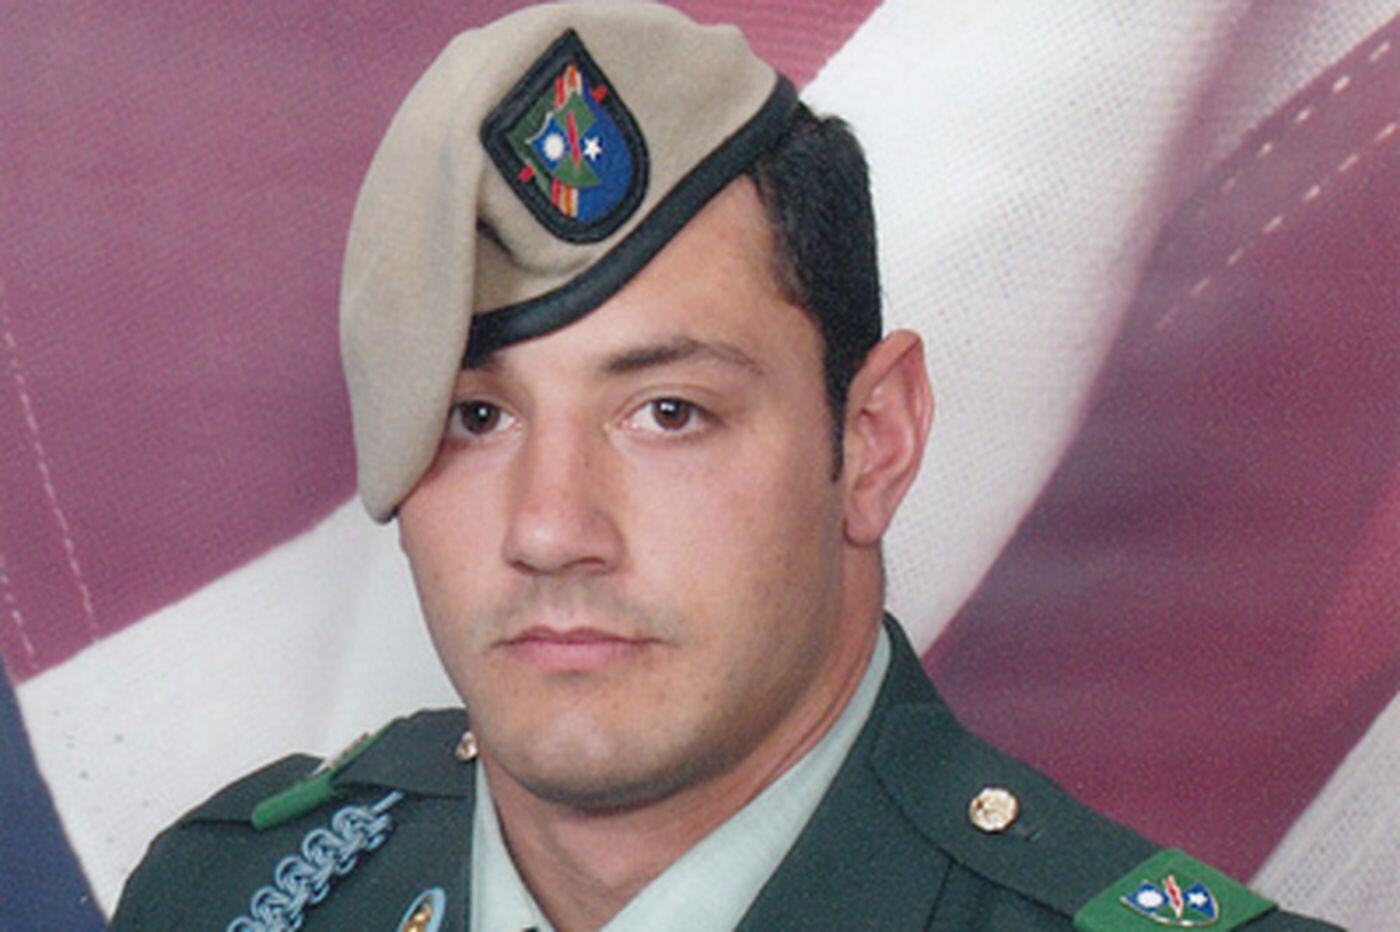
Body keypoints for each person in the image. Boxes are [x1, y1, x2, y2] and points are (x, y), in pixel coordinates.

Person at [110, 5, 1336, 930]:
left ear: (872, 439)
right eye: (475, 416)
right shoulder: (221, 898)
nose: (550, 527)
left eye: (667, 411)